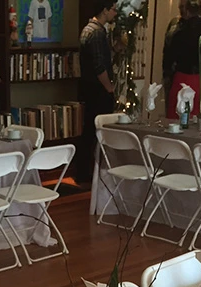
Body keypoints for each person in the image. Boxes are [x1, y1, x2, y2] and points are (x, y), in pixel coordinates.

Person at [76, 0, 117, 183]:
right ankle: (90, 173)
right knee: (97, 131)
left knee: (88, 130)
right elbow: (99, 66)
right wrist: (109, 87)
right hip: (98, 89)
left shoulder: (87, 29)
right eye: (113, 9)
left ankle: (83, 171)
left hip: (87, 87)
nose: (115, 13)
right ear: (105, 10)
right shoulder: (98, 33)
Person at [163, 0, 201, 119]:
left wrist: (168, 76)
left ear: (187, 11)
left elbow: (169, 60)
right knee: (196, 117)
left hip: (181, 78)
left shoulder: (179, 34)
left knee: (175, 117)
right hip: (200, 81)